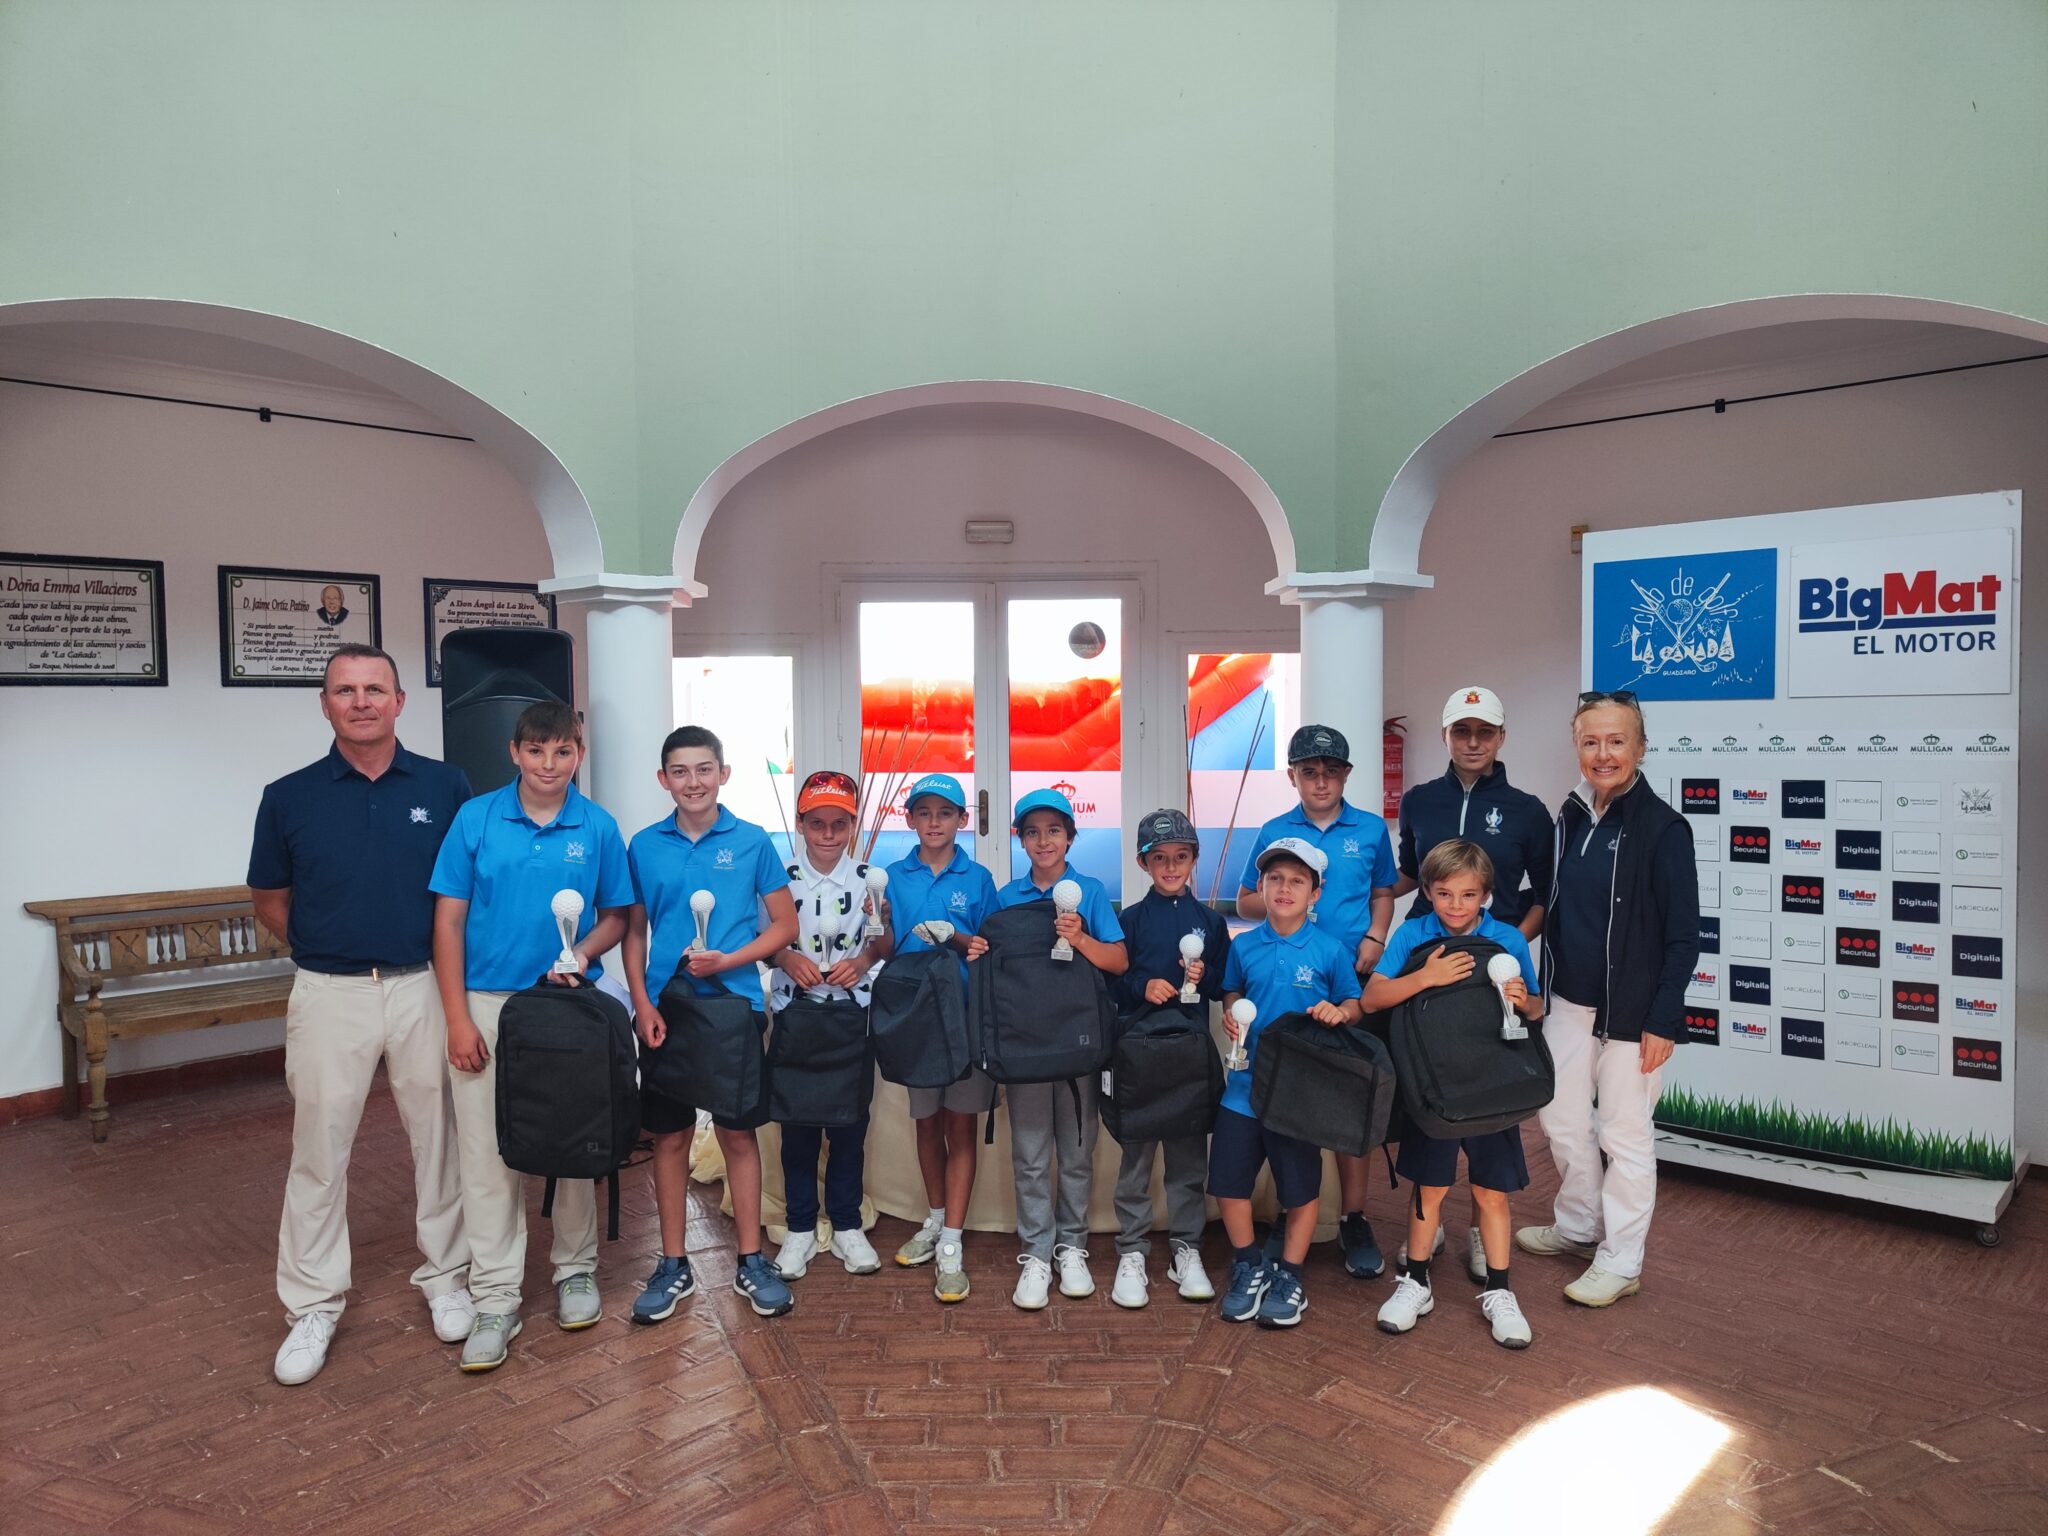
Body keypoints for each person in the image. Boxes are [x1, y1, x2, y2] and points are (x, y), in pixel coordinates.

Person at [252, 643, 475, 1387]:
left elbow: (466, 894)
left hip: (426, 989)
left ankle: (447, 1277)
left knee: (441, 1140)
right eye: (345, 691)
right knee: (319, 1151)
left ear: (399, 701)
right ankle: (313, 1305)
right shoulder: (288, 796)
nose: (360, 702)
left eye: (374, 689)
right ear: (325, 705)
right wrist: (330, 945)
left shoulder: (446, 787)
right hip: (329, 993)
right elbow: (270, 900)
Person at [429, 700, 633, 1372]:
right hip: (486, 1006)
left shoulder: (597, 825)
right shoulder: (476, 819)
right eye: (537, 751)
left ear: (579, 754)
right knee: (487, 1155)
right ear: (514, 753)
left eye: (563, 751)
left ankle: (575, 1271)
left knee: (572, 1138)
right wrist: (457, 1018)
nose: (550, 764)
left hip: (565, 1005)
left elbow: (616, 915)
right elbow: (448, 922)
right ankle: (495, 1297)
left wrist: (583, 952)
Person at [1517, 691, 1698, 1307]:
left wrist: (1663, 1018)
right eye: (1591, 741)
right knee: (1561, 1119)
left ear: (1640, 748)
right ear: (1576, 746)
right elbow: (1553, 903)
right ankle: (1578, 1225)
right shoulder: (1570, 816)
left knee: (1625, 1135)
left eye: (1617, 741)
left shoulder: (1664, 829)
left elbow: (1684, 936)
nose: (1603, 754)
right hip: (1568, 1003)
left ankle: (1621, 1260)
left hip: (1633, 1014)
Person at [622, 726, 801, 1321]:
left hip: (734, 1007)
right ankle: (673, 1264)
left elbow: (784, 926)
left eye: (704, 769)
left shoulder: (752, 842)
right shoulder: (644, 845)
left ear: (723, 774)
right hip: (666, 1010)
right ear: (663, 779)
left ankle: (751, 1260)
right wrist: (643, 1003)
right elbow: (635, 932)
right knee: (670, 1137)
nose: (693, 782)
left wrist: (729, 960)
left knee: (737, 1136)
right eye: (680, 771)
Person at [1390, 684, 1555, 1282]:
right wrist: (1366, 921)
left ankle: (1484, 1229)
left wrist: (1505, 947)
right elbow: (1408, 874)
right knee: (1429, 1088)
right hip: (1427, 966)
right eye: (1462, 731)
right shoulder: (1419, 800)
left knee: (1488, 1089)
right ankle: (1428, 1221)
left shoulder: (1528, 810)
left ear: (1501, 737)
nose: (1473, 741)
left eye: (1485, 731)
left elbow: (1545, 894)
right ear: (1446, 736)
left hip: (1491, 975)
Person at [1234, 723, 1397, 1279]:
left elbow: (1383, 892)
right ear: (1292, 776)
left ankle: (1354, 1217)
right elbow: (1245, 900)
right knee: (1291, 1102)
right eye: (1309, 772)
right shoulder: (1274, 830)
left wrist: (1375, 937)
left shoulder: (1370, 829)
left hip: (1348, 982)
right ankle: (1292, 1210)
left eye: (1331, 771)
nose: (1320, 781)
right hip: (1291, 987)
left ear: (1346, 775)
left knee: (1351, 1101)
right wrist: (1288, 901)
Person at [1364, 840, 1542, 1349]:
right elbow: (1373, 997)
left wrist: (1523, 1000)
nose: (1456, 905)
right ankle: (1415, 1282)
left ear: (1486, 894)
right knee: (1430, 1187)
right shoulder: (1413, 934)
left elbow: (1537, 1009)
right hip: (1433, 1088)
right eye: (1444, 893)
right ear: (1426, 891)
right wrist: (1426, 977)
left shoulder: (1507, 937)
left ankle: (1501, 1290)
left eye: (1468, 894)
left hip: (1492, 1085)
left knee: (1492, 1192)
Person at [1214, 839, 1364, 1328]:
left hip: (1299, 1095)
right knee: (1228, 1184)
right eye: (1275, 879)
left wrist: (1340, 1012)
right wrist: (1230, 1013)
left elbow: (1353, 1002)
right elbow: (1233, 989)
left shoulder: (1330, 950)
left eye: (1297, 881)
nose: (1284, 888)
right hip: (1243, 1088)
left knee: (1299, 1191)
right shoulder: (1243, 945)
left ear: (1314, 893)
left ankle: (1290, 1276)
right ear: (1260, 887)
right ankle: (1249, 1263)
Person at [997, 789, 1129, 1309]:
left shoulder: (1089, 891)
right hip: (1025, 1047)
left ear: (1070, 837)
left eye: (1054, 830)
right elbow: (996, 966)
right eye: (1032, 832)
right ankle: (1035, 1252)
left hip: (1079, 1043)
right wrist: (981, 949)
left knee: (1076, 1153)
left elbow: (1118, 961)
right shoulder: (1006, 896)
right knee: (1030, 1155)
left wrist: (1080, 939)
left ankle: (1071, 1248)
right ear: (1020, 839)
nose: (1043, 840)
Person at [768, 770, 893, 1280]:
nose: (827, 834)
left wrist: (862, 962)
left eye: (838, 824)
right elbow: (762, 936)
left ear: (852, 825)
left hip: (851, 1017)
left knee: (849, 1125)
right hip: (795, 1014)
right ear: (800, 824)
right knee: (796, 1127)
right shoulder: (779, 878)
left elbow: (884, 942)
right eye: (816, 823)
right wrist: (785, 957)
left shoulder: (869, 878)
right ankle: (800, 1227)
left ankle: (846, 1223)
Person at [882, 772, 998, 1303]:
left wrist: (958, 937)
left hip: (964, 1018)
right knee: (926, 1124)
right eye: (924, 813)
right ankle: (933, 1220)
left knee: (960, 1127)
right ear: (910, 819)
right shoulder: (892, 876)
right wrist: (879, 924)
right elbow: (885, 947)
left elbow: (989, 949)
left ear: (962, 820)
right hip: (915, 1018)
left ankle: (952, 1238)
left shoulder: (977, 878)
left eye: (945, 813)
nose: (934, 822)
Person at [1107, 808, 1229, 1309]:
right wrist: (1143, 985)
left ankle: (1187, 1248)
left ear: (1194, 859)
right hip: (1137, 1053)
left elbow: (1222, 986)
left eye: (1180, 856)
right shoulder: (1129, 921)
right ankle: (1131, 1249)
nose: (1171, 867)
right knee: (1135, 1159)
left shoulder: (1212, 922)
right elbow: (1112, 983)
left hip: (1189, 1054)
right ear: (1143, 863)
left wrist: (1202, 976)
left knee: (1187, 1160)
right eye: (1159, 858)